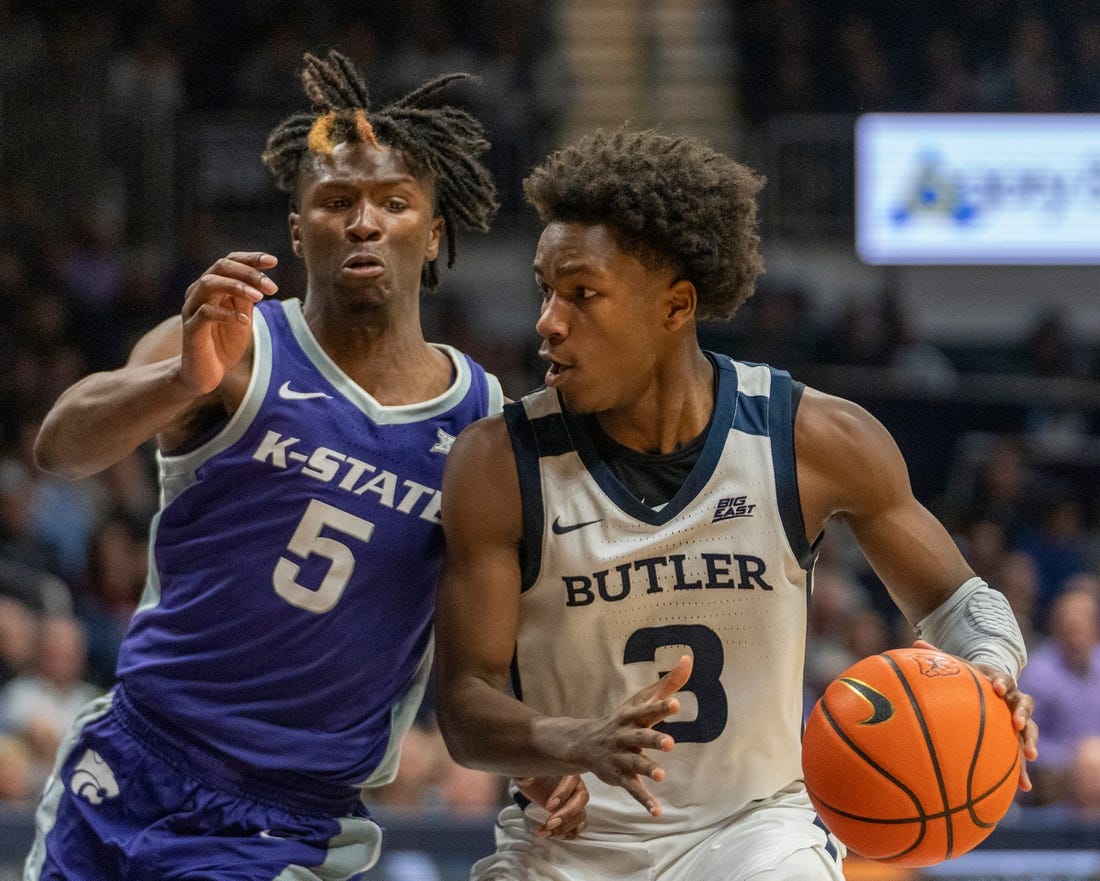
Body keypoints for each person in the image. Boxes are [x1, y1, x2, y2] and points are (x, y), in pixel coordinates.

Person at [23, 49, 583, 881]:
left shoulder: (482, 424)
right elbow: (60, 447)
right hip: (133, 752)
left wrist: (536, 739)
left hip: (283, 813)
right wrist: (177, 380)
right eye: (337, 201)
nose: (364, 221)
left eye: (394, 203)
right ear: (297, 228)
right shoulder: (234, 343)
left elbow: (492, 622)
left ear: (433, 234)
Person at [433, 127, 1039, 881]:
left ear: (676, 306)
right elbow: (464, 703)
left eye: (582, 293)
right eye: (545, 289)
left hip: (756, 835)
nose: (548, 321)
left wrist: (990, 669)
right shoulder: (497, 461)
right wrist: (572, 739)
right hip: (569, 843)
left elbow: (959, 601)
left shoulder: (813, 437)